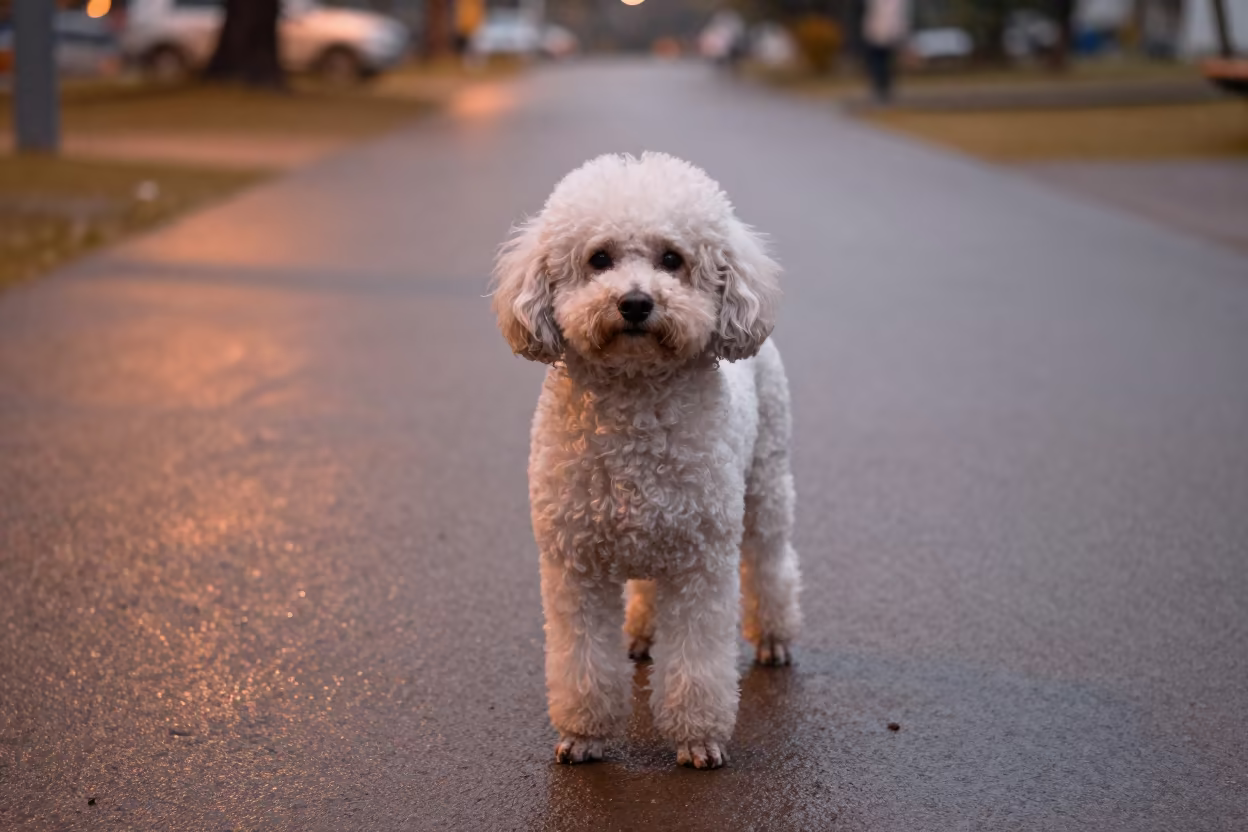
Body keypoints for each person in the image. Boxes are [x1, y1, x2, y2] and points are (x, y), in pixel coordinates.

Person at [861, 0, 910, 103]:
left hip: (888, 35)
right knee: (879, 63)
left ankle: (884, 88)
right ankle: (880, 88)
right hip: (876, 34)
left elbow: (901, 17)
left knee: (885, 64)